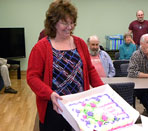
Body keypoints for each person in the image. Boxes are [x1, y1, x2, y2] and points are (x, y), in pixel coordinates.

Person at [27, 1, 104, 131]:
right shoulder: (40, 47)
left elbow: (89, 70)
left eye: (72, 23)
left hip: (79, 107)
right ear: (53, 23)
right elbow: (32, 77)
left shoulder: (80, 43)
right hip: (53, 108)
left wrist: (103, 90)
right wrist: (49, 94)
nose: (70, 27)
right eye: (64, 23)